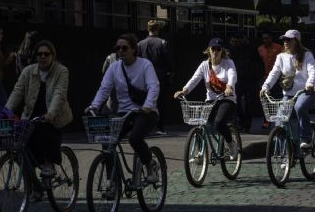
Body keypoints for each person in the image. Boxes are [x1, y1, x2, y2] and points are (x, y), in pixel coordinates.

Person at [87, 33, 160, 182]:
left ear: (133, 49)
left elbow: (154, 87)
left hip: (145, 112)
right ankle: (112, 182)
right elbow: (104, 89)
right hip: (123, 112)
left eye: (124, 48)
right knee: (107, 141)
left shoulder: (145, 65)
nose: (120, 51)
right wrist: (94, 106)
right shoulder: (114, 67)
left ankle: (149, 164)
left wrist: (147, 106)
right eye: (117, 48)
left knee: (135, 138)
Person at [4, 40, 73, 176]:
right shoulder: (28, 71)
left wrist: (51, 113)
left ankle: (49, 163)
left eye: (46, 54)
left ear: (53, 56)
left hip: (54, 116)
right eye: (39, 54)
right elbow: (17, 92)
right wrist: (6, 112)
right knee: (19, 148)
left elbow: (59, 93)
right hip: (31, 116)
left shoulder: (61, 71)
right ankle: (34, 187)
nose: (43, 57)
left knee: (47, 132)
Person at [173, 37, 238, 159]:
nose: (215, 51)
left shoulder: (228, 63)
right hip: (211, 100)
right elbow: (195, 79)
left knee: (218, 123)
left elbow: (232, 75)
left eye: (218, 49)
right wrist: (184, 90)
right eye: (213, 48)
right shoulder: (204, 65)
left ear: (222, 51)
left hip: (227, 99)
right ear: (209, 50)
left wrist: (229, 86)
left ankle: (231, 143)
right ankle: (198, 152)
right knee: (199, 122)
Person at [259, 29, 315, 149]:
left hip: (305, 92)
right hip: (288, 94)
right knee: (279, 122)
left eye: (289, 39)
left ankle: (306, 139)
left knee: (299, 107)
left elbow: (313, 71)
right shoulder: (281, 57)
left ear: (296, 41)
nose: (286, 42)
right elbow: (274, 73)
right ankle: (285, 153)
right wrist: (265, 87)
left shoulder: (307, 55)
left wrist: (310, 83)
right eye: (284, 39)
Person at [137, 19, 172, 135]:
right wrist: (170, 72)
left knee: (145, 101)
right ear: (158, 29)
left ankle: (144, 127)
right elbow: (168, 61)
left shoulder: (140, 44)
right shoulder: (163, 43)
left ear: (148, 29)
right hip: (160, 76)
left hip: (145, 77)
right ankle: (160, 127)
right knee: (161, 102)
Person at [230, 30, 263, 133]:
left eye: (241, 38)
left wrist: (256, 76)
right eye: (238, 38)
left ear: (246, 38)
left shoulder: (252, 49)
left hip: (250, 80)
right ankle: (240, 121)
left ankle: (247, 125)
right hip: (238, 79)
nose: (239, 40)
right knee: (237, 101)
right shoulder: (234, 49)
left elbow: (259, 64)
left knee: (249, 104)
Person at [257, 32, 283, 128]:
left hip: (276, 78)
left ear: (271, 38)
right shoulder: (260, 49)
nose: (265, 41)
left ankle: (277, 120)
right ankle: (266, 120)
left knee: (276, 98)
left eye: (267, 38)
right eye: (264, 39)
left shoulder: (278, 47)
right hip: (264, 78)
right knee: (265, 99)